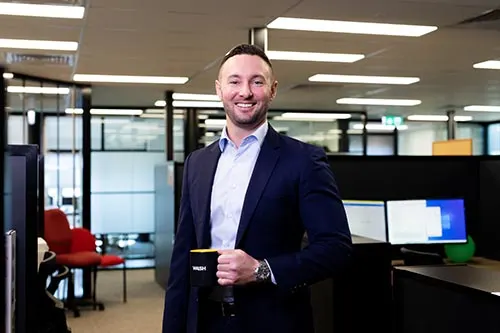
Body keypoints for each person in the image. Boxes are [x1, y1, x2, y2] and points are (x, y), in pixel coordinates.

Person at [162, 43, 352, 333]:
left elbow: (336, 250)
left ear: (272, 90)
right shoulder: (197, 163)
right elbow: (182, 259)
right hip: (206, 320)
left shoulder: (304, 161)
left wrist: (262, 270)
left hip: (274, 321)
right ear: (219, 89)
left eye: (257, 81)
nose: (245, 92)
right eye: (234, 81)